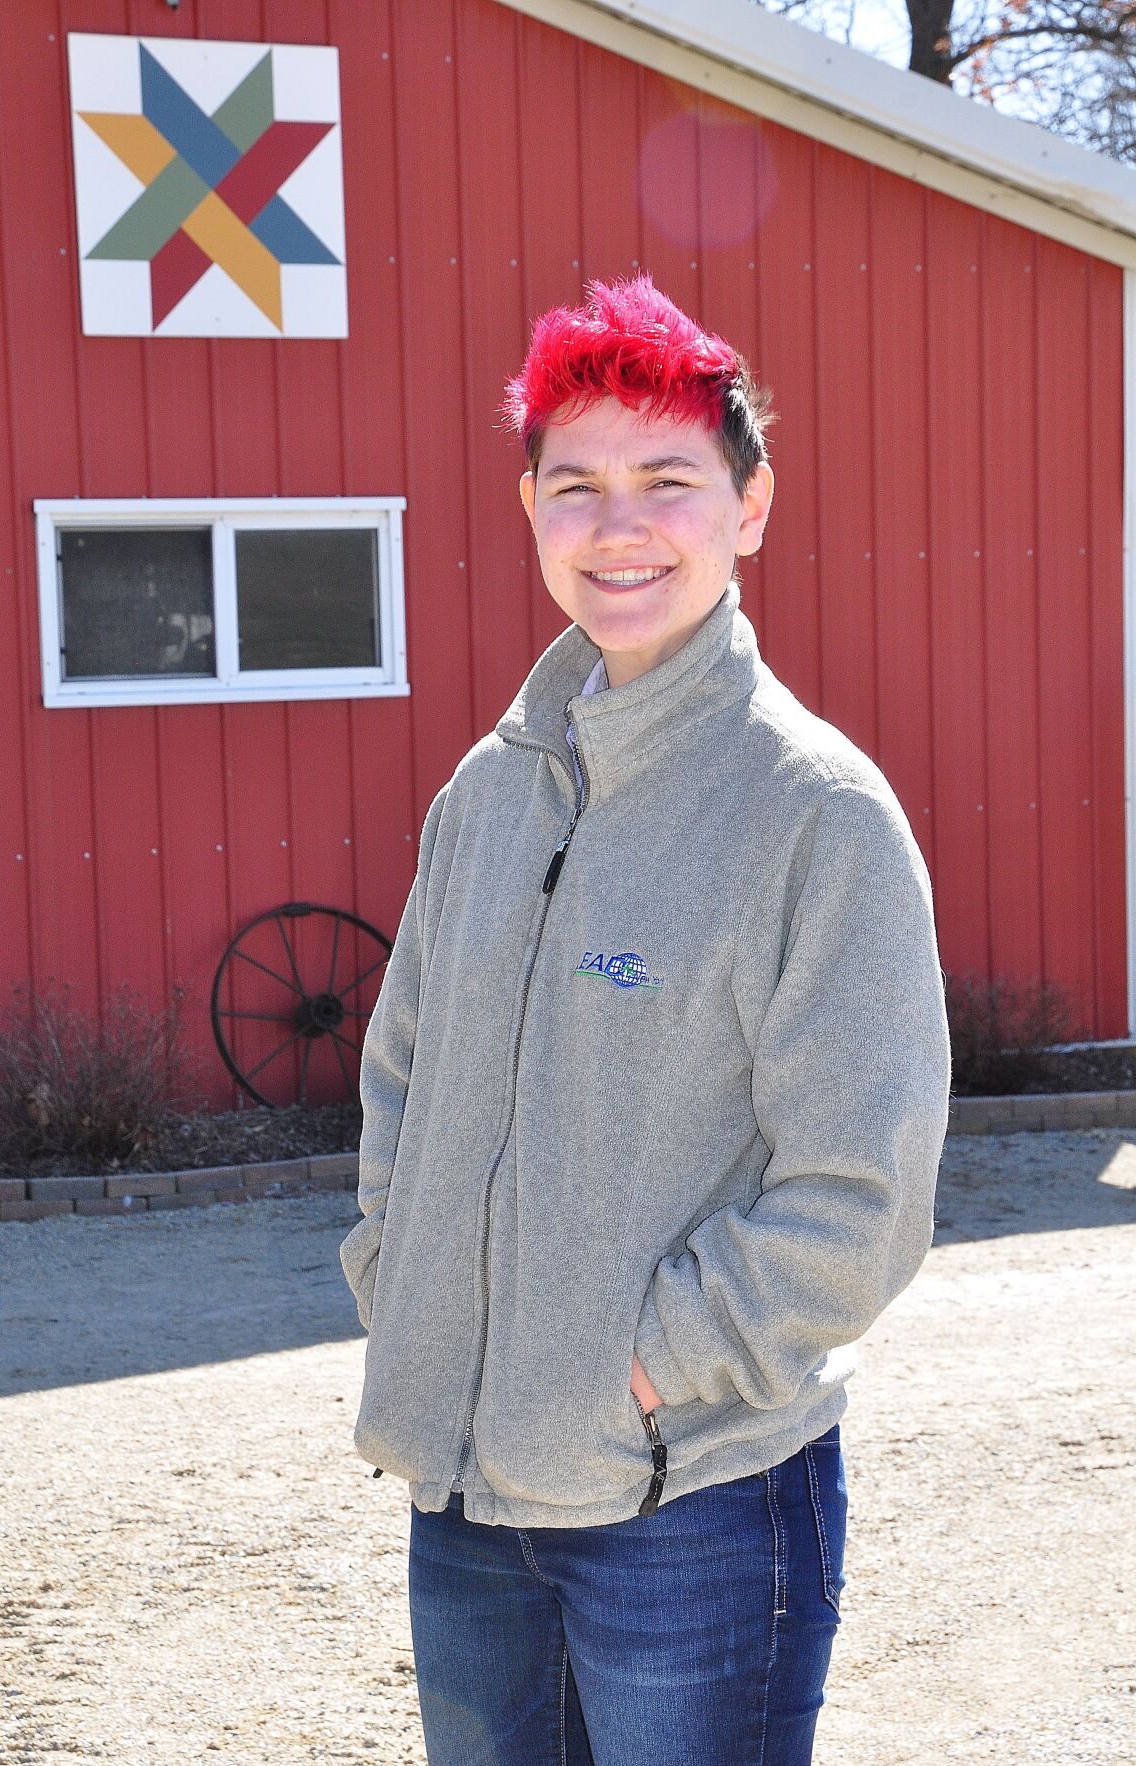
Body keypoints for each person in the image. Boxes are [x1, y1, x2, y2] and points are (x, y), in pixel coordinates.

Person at [339, 274, 951, 1765]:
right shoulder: (482, 800)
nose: (618, 526)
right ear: (533, 510)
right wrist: (404, 1277)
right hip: (467, 1505)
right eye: (577, 486)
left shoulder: (813, 813)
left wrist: (639, 1362)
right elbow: (399, 1086)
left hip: (693, 1503)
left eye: (666, 481)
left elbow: (858, 1198)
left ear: (748, 506)